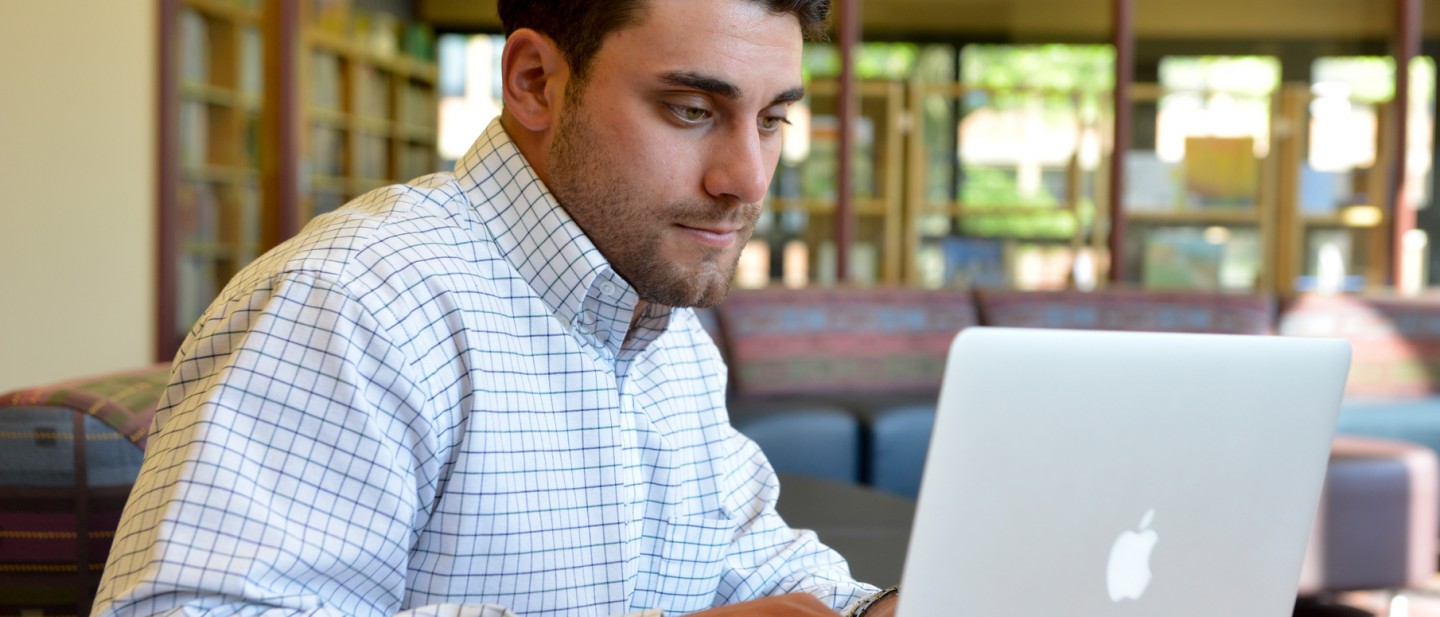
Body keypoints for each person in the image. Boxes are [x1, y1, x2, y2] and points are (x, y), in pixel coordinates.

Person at [93, 1, 899, 615]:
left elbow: (755, 559)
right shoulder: (357, 301)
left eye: (772, 120)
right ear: (535, 83)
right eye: (692, 111)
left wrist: (881, 608)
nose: (749, 179)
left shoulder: (664, 329)